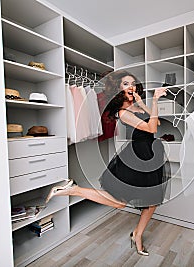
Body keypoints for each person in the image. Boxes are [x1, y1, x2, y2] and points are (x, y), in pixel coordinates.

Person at [45, 70, 170, 256]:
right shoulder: (123, 112)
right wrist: (154, 100)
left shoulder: (136, 106)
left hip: (151, 153)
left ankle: (137, 235)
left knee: (151, 203)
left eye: (133, 83)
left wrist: (143, 103)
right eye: (126, 83)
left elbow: (157, 122)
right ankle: (73, 190)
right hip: (138, 156)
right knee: (120, 203)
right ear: (119, 88)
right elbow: (151, 127)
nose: (131, 86)